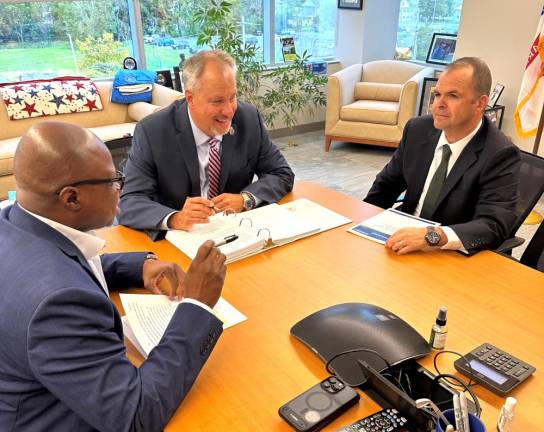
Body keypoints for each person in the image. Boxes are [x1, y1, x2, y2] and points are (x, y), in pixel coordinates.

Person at [0, 122, 227, 431]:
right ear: (71, 199)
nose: (122, 185)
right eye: (114, 179)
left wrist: (137, 266)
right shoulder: (56, 305)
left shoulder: (12, 219)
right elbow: (135, 416)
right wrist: (198, 305)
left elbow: (61, 263)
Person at [118, 49, 295, 240]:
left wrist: (246, 199)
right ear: (190, 98)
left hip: (236, 234)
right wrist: (175, 218)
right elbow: (130, 201)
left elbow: (281, 173)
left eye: (232, 97)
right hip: (181, 241)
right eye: (217, 101)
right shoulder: (153, 131)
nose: (229, 111)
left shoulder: (248, 118)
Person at [364, 57, 521, 255]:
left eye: (453, 96)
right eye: (437, 94)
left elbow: (494, 224)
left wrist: (434, 236)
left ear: (480, 104)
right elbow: (386, 185)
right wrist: (362, 221)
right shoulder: (417, 130)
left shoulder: (500, 154)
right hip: (405, 243)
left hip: (452, 254)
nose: (439, 104)